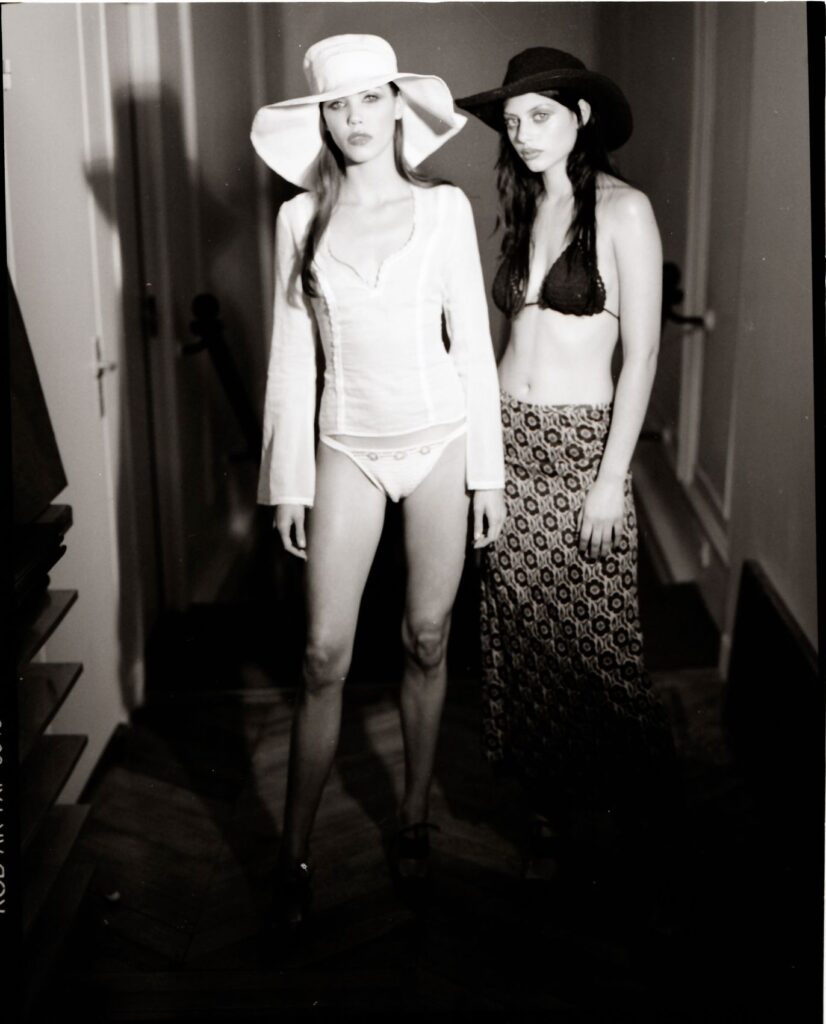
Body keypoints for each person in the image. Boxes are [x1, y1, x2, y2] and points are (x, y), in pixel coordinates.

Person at [251, 34, 505, 930]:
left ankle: (413, 816)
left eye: (370, 98)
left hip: (441, 441)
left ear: (399, 105)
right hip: (346, 447)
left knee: (428, 637)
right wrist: (289, 483)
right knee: (323, 654)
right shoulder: (298, 220)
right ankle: (293, 854)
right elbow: (292, 359)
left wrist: (487, 476)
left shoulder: (444, 210)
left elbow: (473, 348)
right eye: (337, 104)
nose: (355, 118)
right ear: (320, 118)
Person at [456, 48, 676, 882]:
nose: (522, 133)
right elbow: (506, 342)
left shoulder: (624, 210)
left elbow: (643, 354)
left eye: (539, 115)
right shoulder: (523, 207)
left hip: (583, 451)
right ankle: (548, 812)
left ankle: (643, 819)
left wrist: (611, 479)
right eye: (513, 122)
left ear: (581, 117)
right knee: (522, 636)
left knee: (598, 643)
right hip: (508, 442)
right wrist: (484, 457)